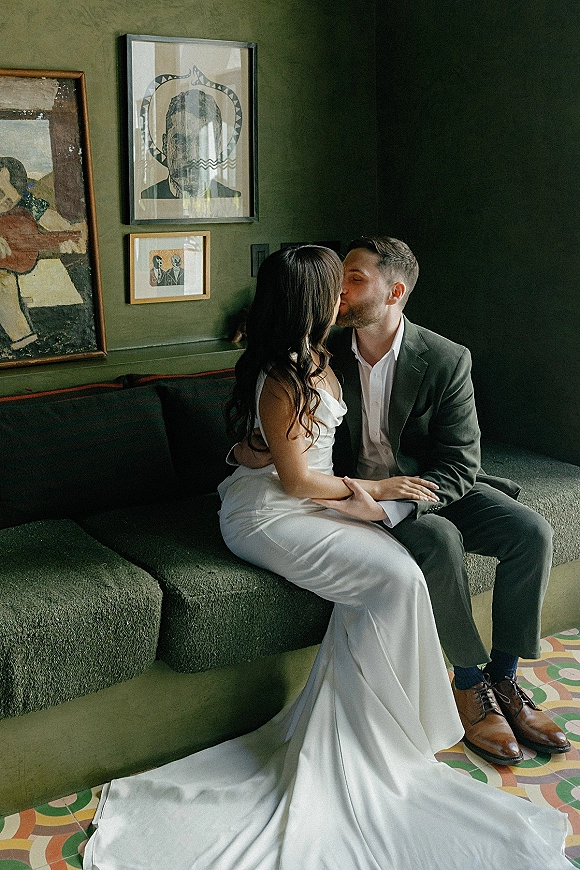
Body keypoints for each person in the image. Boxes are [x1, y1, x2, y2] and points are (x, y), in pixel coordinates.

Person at [84, 246, 570, 870]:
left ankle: (501, 679)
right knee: (418, 560)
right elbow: (280, 440)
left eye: (352, 280)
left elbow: (458, 461)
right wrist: (260, 451)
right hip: (316, 497)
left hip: (421, 485)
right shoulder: (315, 349)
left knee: (529, 532)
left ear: (393, 293)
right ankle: (463, 690)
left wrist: (389, 499)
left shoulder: (442, 357)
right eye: (334, 283)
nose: (341, 291)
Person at [0, 156, 87, 351]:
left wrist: (71, 234)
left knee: (4, 278)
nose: (2, 204)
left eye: (9, 202)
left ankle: (25, 346)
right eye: (0, 193)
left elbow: (48, 217)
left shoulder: (24, 200)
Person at [141, 89, 241, 201]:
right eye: (180, 142)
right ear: (165, 145)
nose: (191, 157)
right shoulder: (145, 199)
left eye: (203, 143)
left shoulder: (232, 199)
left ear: (217, 147)